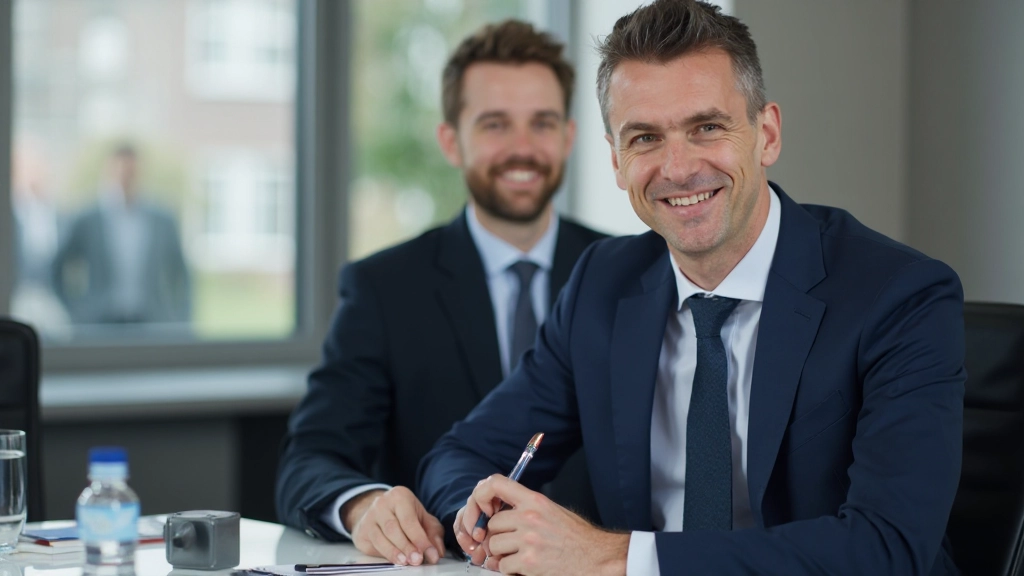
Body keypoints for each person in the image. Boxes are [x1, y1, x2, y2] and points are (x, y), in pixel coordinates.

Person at [418, 1, 965, 575]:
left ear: (766, 134)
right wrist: (481, 517)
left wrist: (615, 557)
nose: (677, 169)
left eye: (707, 128)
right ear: (616, 162)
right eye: (645, 138)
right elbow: (462, 456)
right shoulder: (601, 284)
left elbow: (887, 546)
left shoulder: (900, 295)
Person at [275, 20, 607, 568]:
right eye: (495, 124)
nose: (523, 148)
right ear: (451, 141)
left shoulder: (625, 276)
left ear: (569, 136)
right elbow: (309, 458)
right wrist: (364, 505)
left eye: (542, 123)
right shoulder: (385, 288)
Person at [51, 144, 191, 327]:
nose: (126, 179)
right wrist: (75, 312)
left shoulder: (163, 219)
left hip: (150, 320)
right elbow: (58, 267)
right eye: (121, 173)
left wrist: (180, 317)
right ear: (109, 172)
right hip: (100, 321)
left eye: (131, 173)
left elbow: (180, 272)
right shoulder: (87, 218)